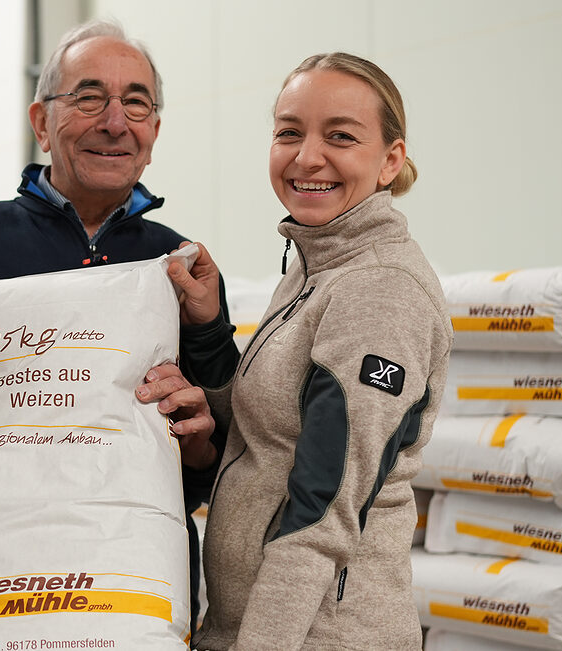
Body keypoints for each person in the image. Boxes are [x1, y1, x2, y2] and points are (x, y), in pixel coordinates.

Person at [0, 19, 237, 623]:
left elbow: (227, 456)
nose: (114, 121)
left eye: (136, 103)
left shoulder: (181, 265)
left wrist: (202, 421)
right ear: (41, 123)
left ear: (154, 132)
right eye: (88, 97)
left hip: (129, 582)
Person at [190, 53, 452, 650]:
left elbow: (324, 505)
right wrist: (207, 336)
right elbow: (275, 429)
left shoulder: (379, 288)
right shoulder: (317, 263)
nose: (307, 157)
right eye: (289, 132)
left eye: (340, 136)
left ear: (391, 160)